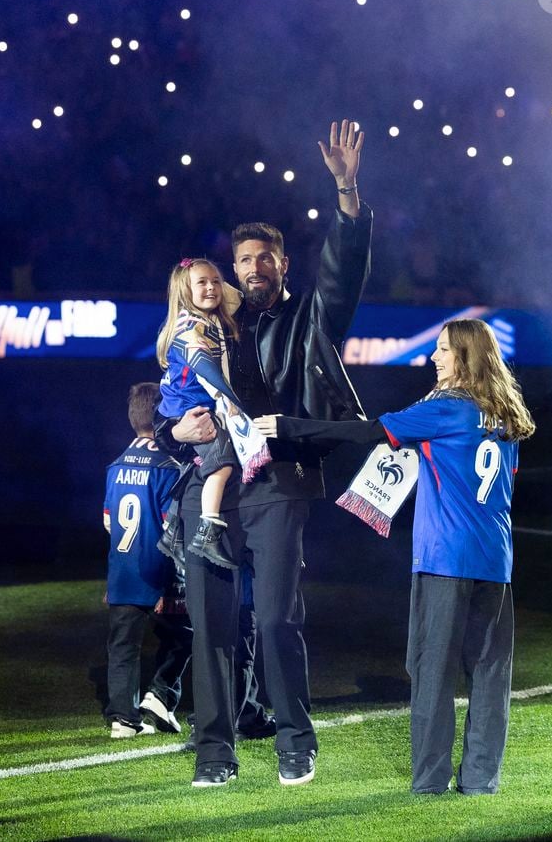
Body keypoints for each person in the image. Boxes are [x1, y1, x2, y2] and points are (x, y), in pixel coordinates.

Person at [156, 119, 372, 787]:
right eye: (243, 259)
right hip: (211, 487)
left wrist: (347, 195)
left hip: (278, 483)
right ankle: (214, 749)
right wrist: (171, 436)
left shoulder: (310, 320)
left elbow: (343, 275)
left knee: (277, 617)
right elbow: (170, 396)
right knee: (211, 626)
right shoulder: (204, 322)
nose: (253, 268)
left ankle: (293, 737)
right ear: (231, 270)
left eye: (265, 258)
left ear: (283, 267)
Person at [255, 318, 536, 796]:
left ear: (464, 358)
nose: (434, 357)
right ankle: (481, 780)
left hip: (445, 559)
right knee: (489, 674)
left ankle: (429, 782)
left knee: (431, 670)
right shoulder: (506, 416)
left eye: (444, 350)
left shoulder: (448, 409)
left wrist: (290, 427)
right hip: (496, 561)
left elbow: (367, 433)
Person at [156, 258, 270, 570]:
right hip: (188, 410)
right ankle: (207, 531)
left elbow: (236, 296)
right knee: (222, 463)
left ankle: (172, 533)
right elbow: (204, 365)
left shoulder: (212, 317)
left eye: (215, 281)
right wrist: (231, 402)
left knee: (197, 467)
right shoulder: (191, 326)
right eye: (202, 283)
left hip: (192, 406)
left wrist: (209, 275)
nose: (212, 288)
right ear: (183, 292)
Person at [103, 382, 192, 738]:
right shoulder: (169, 466)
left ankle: (122, 719)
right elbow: (173, 528)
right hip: (160, 571)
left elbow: (110, 521)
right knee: (184, 635)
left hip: (123, 571)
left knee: (123, 645)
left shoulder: (115, 465)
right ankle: (160, 694)